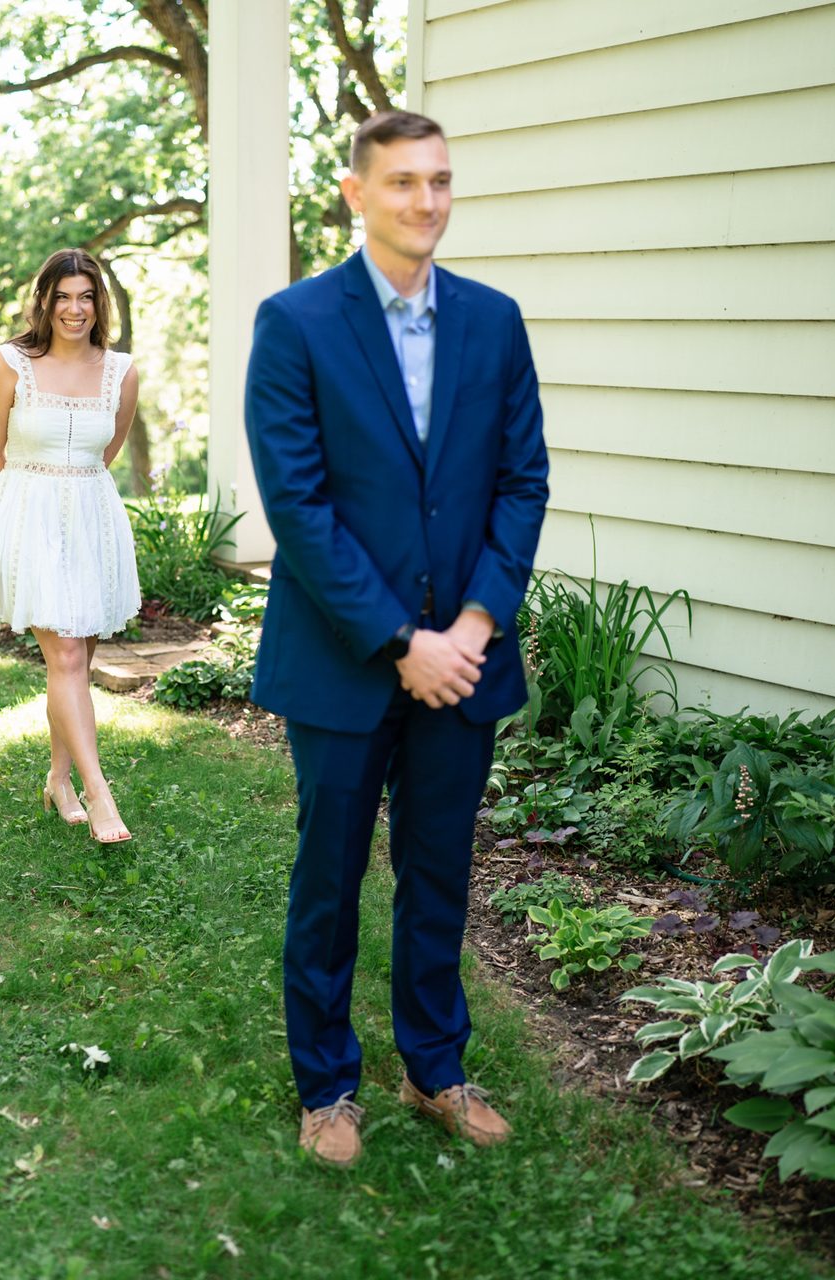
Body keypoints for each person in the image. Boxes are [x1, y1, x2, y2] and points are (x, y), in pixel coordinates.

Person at [244, 110, 549, 1167]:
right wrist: (397, 640)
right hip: (341, 662)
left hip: (464, 659)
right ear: (356, 193)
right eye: (406, 182)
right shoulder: (295, 323)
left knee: (441, 871)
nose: (427, 201)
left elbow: (522, 482)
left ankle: (435, 1066)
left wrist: (468, 624)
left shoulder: (496, 322)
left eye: (442, 182)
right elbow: (299, 504)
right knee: (328, 879)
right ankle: (326, 1084)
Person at [0, 247, 140, 844]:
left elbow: (108, 449)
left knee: (79, 661)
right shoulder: (10, 363)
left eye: (85, 297)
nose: (74, 308)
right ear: (44, 302)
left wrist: (73, 498)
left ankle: (59, 779)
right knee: (64, 658)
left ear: (99, 304)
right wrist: (29, 512)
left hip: (92, 517)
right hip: (29, 518)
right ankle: (99, 795)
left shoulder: (121, 371)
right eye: (62, 297)